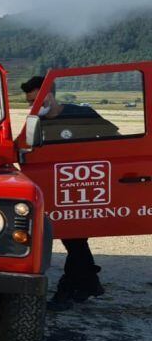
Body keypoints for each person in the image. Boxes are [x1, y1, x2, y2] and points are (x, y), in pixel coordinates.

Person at [21, 76, 108, 311]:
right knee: (74, 240)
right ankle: (90, 284)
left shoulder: (81, 115)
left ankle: (68, 291)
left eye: (35, 101)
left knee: (75, 240)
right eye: (29, 102)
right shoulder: (37, 122)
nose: (32, 107)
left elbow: (113, 139)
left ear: (48, 96)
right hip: (58, 191)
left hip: (83, 187)